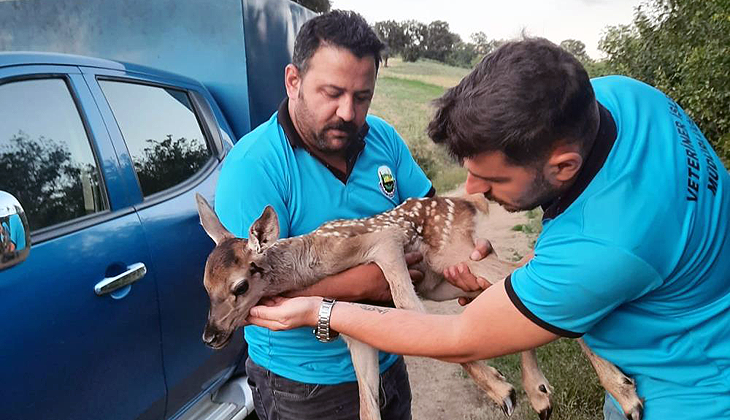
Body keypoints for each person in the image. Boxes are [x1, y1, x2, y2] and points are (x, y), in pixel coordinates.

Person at [247, 38, 730, 420]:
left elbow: (460, 336)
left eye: (494, 179)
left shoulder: (603, 246)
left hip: (688, 394)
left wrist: (322, 309)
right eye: (470, 169)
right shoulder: (624, 97)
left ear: (563, 166)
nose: (472, 191)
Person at [213, 10, 461, 420]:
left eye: (362, 97)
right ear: (293, 81)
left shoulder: (382, 138)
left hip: (389, 357)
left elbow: (430, 214)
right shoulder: (253, 168)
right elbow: (264, 299)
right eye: (332, 93)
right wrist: (375, 283)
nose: (348, 112)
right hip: (306, 386)